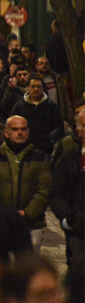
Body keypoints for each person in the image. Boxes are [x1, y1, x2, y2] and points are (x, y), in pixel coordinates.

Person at [0, 116, 51, 251]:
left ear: (28, 132)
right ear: (6, 133)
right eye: (15, 129)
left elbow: (44, 190)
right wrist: (4, 213)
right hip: (0, 223)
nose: (19, 132)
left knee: (28, 263)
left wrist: (27, 213)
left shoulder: (40, 157)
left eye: (23, 129)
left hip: (31, 224)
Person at [49, 108, 85, 265]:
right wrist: (68, 220)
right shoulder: (69, 159)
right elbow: (56, 193)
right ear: (78, 131)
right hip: (78, 231)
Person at [10, 75, 64, 155]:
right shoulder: (19, 106)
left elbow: (59, 126)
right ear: (28, 88)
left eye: (38, 86)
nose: (36, 89)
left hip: (46, 149)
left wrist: (51, 138)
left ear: (42, 88)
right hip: (24, 149)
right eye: (33, 86)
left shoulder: (51, 106)